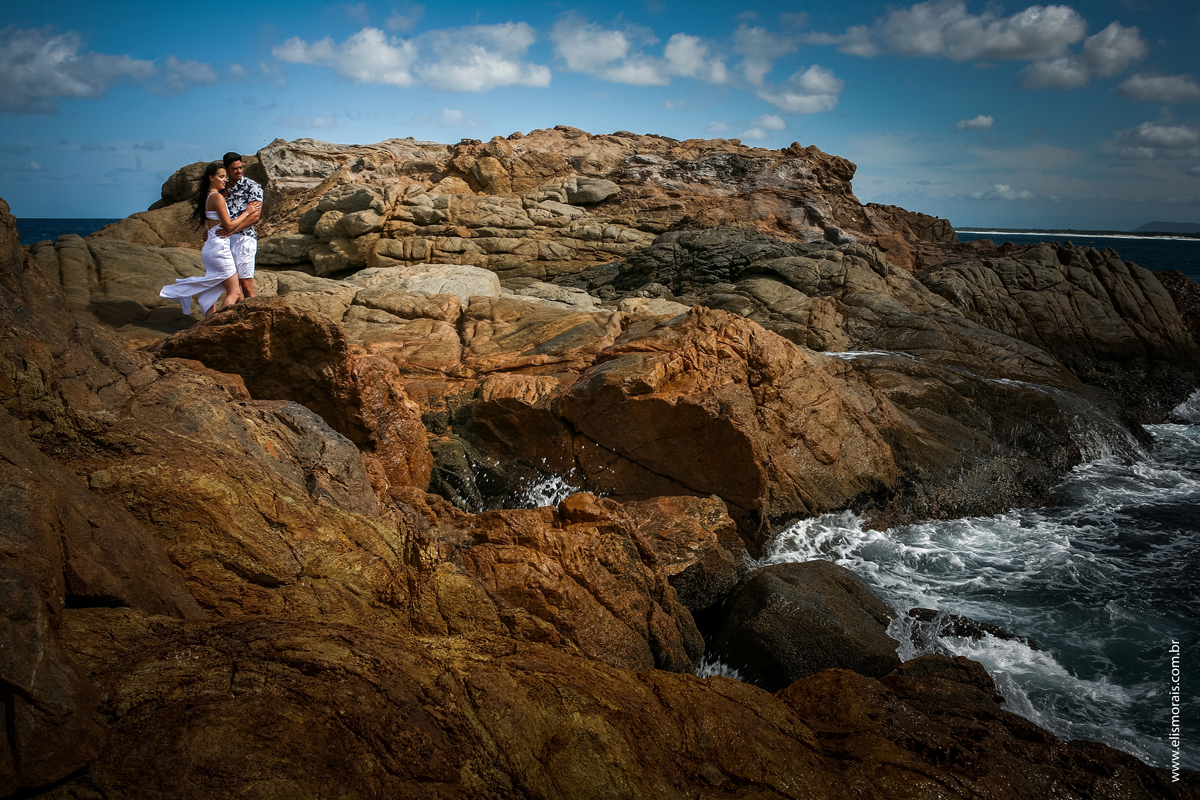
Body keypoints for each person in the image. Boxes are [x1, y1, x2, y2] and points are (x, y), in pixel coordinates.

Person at [159, 162, 257, 318]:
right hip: (219, 249)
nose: (225, 180)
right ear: (211, 178)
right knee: (235, 292)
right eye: (221, 177)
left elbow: (214, 225)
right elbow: (229, 225)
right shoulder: (217, 197)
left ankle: (208, 321)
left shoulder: (207, 196)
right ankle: (216, 324)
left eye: (225, 177)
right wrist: (247, 212)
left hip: (211, 247)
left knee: (213, 288)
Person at [221, 151, 263, 299]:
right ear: (226, 169)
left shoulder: (253, 187)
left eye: (240, 167)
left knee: (246, 284)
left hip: (244, 239)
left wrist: (232, 230)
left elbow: (255, 216)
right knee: (232, 287)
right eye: (234, 168)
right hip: (224, 240)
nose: (238, 171)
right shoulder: (221, 187)